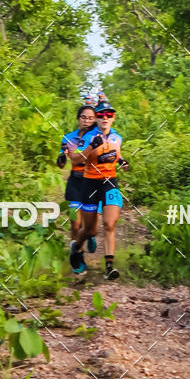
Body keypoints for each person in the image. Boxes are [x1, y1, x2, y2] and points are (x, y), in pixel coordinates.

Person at [69, 99, 129, 280]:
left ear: (113, 118)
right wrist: (90, 148)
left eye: (108, 115)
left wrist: (121, 161)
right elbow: (75, 159)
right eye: (101, 115)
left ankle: (109, 266)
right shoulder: (87, 137)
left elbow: (115, 152)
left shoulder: (117, 137)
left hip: (109, 182)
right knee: (90, 231)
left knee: (109, 224)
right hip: (90, 184)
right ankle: (77, 248)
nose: (105, 117)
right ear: (96, 118)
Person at [56, 103, 98, 239]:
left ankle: (90, 236)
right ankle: (74, 255)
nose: (87, 121)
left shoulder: (99, 137)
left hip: (93, 183)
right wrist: (62, 157)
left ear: (96, 120)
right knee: (75, 225)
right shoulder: (68, 138)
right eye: (83, 117)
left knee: (91, 228)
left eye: (91, 118)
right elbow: (61, 165)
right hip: (75, 182)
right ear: (78, 119)